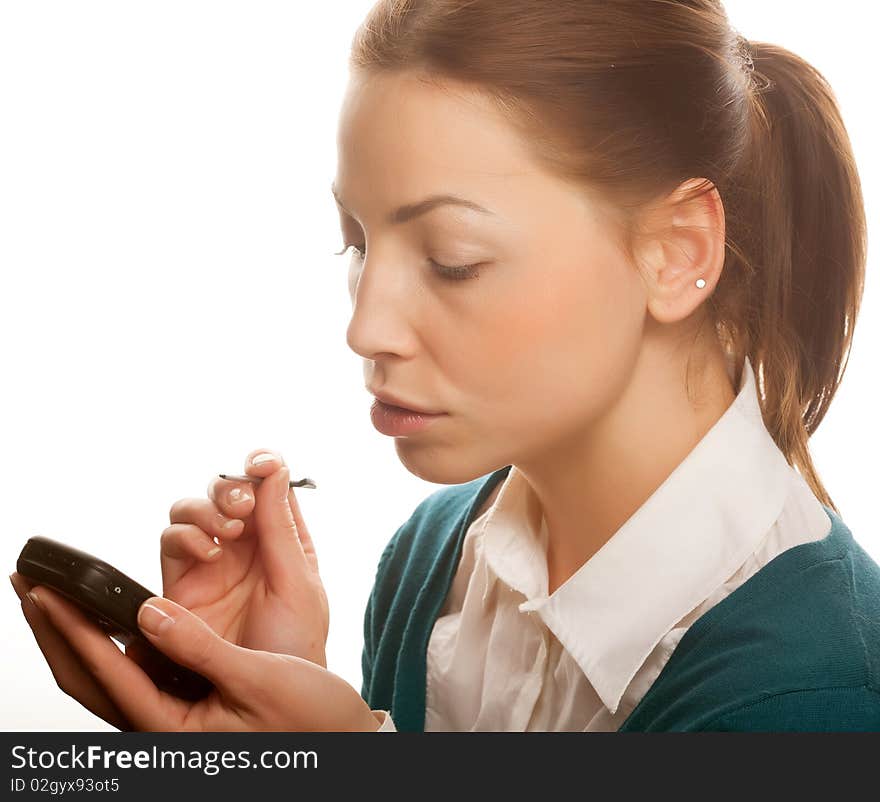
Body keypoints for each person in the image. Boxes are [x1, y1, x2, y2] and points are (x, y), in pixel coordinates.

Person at [10, 0, 879, 731]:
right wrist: (275, 704)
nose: (364, 326)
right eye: (355, 240)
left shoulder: (815, 690)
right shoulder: (429, 562)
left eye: (452, 257)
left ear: (674, 251)